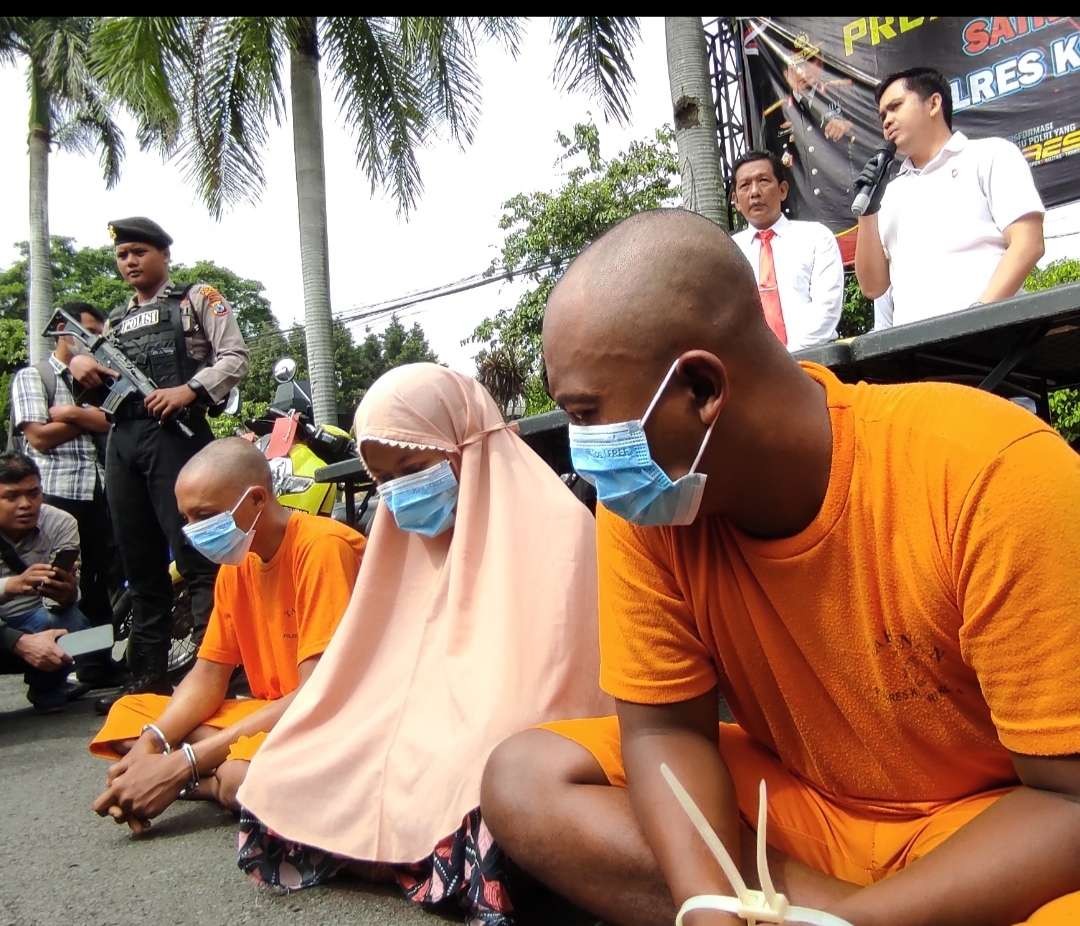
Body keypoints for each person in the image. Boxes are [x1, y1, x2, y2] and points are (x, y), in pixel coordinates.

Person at [480, 208, 1080, 926]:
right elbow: (664, 732)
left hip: (991, 826)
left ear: (700, 389)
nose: (582, 447)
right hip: (798, 816)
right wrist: (708, 904)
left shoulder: (988, 471)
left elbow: (1067, 800)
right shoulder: (651, 509)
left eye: (588, 413)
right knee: (528, 779)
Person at [235, 364, 610, 926]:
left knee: (500, 791)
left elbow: (547, 694)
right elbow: (370, 670)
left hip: (498, 731)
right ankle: (415, 859)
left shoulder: (561, 530)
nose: (397, 493)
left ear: (464, 445)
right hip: (421, 730)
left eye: (413, 467)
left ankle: (393, 853)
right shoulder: (400, 536)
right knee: (282, 767)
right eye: (383, 479)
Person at [89, 438, 364, 832]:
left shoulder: (322, 548)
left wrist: (185, 762)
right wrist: (152, 744)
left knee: (240, 775)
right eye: (186, 518)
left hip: (326, 715)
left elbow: (316, 694)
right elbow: (208, 674)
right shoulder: (238, 563)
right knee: (130, 716)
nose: (193, 531)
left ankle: (196, 781)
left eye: (204, 515)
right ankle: (185, 773)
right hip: (271, 713)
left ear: (256, 500)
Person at [67, 217, 249, 714]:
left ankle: (219, 677)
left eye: (139, 251)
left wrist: (188, 390)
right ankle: (145, 684)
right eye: (122, 254)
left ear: (163, 255)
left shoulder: (197, 299)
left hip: (178, 437)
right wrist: (78, 370)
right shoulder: (113, 323)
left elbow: (235, 356)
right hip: (123, 439)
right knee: (139, 566)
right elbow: (101, 390)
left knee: (199, 560)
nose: (130, 261)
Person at [854, 67, 1046, 328]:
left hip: (995, 341)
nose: (886, 120)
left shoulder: (990, 155)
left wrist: (977, 320)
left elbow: (1028, 243)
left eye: (896, 106)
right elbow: (872, 287)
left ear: (933, 104)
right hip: (918, 356)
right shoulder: (891, 193)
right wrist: (868, 212)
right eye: (882, 115)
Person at [11, 301, 123, 690]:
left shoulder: (99, 382)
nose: (93, 342)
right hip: (53, 494)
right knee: (54, 589)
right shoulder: (34, 376)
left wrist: (70, 414)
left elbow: (110, 422)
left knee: (100, 583)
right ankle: (50, 669)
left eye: (98, 335)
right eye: (86, 332)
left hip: (97, 491)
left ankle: (96, 664)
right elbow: (38, 438)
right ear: (62, 330)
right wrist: (88, 416)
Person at [0, 452, 91, 713]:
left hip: (35, 618)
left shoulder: (61, 523)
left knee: (81, 629)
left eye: (33, 493)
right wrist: (12, 585)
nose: (26, 504)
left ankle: (48, 688)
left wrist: (67, 593)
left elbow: (64, 601)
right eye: (11, 496)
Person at [730, 150, 843, 351]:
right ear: (736, 201)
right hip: (752, 372)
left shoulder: (816, 237)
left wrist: (787, 361)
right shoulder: (727, 251)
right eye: (745, 185)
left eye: (763, 181)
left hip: (813, 361)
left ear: (783, 190)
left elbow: (827, 309)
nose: (755, 192)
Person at [761, 39, 858, 230]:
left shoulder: (842, 93)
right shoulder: (773, 115)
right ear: (785, 73)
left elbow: (873, 136)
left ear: (820, 65)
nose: (803, 71)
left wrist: (850, 128)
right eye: (795, 65)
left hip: (844, 208)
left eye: (809, 62)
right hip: (799, 216)